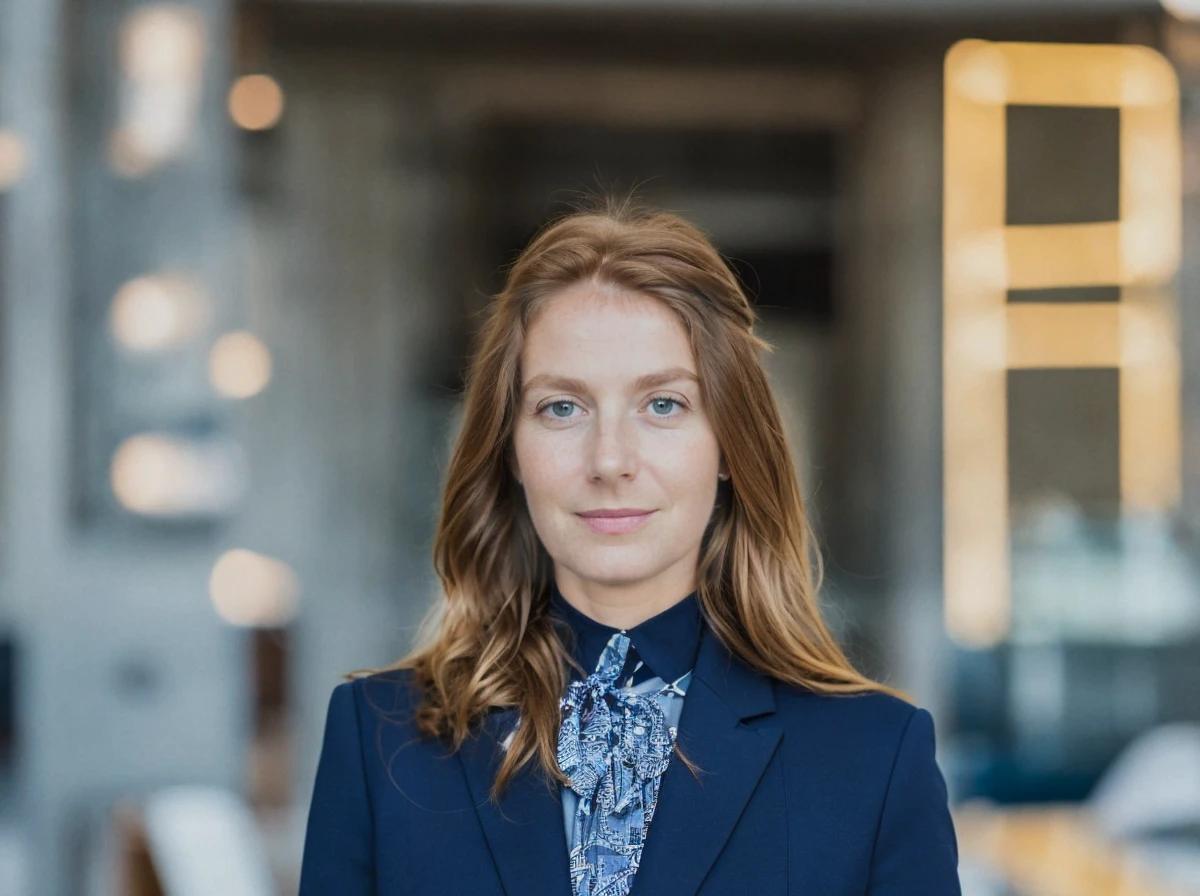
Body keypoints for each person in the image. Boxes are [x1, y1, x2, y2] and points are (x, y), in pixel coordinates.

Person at [298, 194, 962, 895]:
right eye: (562, 407)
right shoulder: (378, 740)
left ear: (730, 446)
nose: (610, 460)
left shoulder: (874, 758)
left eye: (663, 405)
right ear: (510, 449)